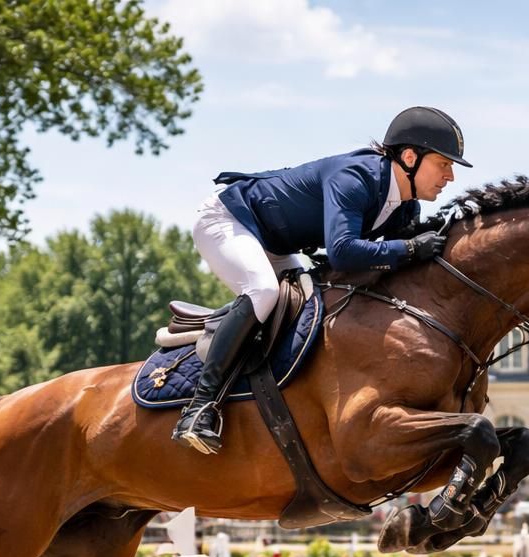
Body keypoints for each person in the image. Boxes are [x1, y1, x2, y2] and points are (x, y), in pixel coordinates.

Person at [172, 106, 471, 455]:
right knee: (264, 290)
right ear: (409, 157)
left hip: (274, 243)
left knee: (310, 304)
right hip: (228, 220)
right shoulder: (355, 178)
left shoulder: (405, 207)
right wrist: (407, 248)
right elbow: (343, 252)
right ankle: (198, 409)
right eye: (444, 164)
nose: (450, 176)